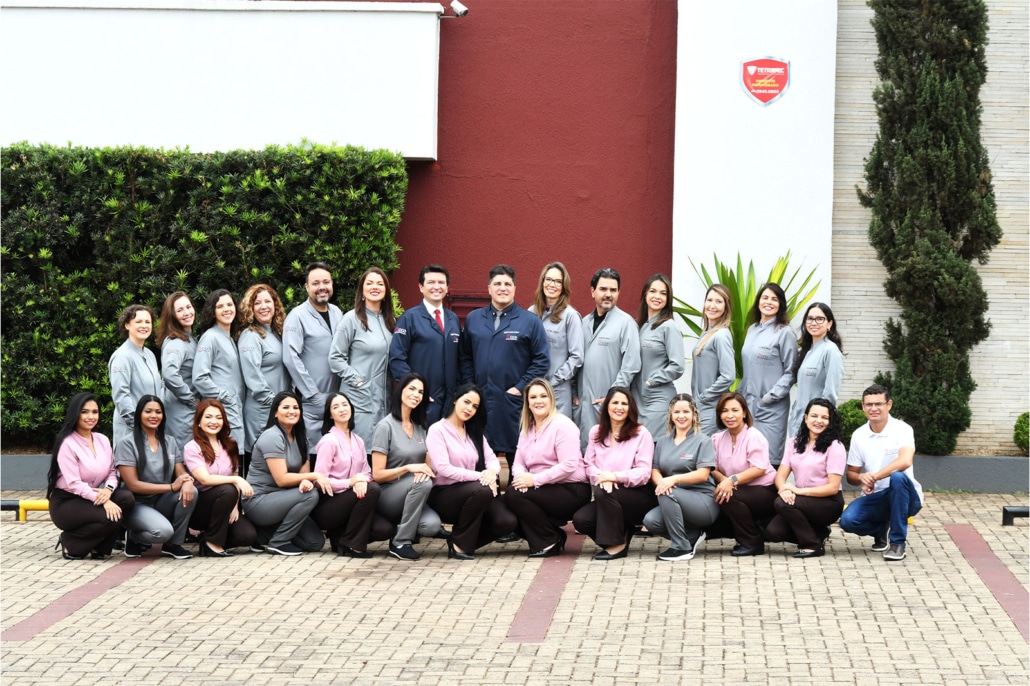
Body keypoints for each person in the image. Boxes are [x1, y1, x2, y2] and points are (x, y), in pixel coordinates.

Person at [458, 265, 550, 480]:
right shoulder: (474, 319)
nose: (502, 288)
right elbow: (464, 357)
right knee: (479, 455)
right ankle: (486, 500)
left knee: (516, 454)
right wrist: (472, 389)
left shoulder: (530, 322)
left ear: (515, 289)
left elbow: (541, 360)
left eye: (507, 284)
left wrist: (520, 388)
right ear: (489, 288)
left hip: (512, 404)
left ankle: (515, 499)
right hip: (479, 402)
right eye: (497, 284)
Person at [426, 384, 517, 560]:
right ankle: (461, 544)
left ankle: (459, 540)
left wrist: (491, 472)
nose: (469, 409)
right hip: (444, 495)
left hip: (474, 492)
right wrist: (481, 476)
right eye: (466, 402)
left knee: (507, 522)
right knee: (481, 490)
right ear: (455, 400)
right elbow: (443, 468)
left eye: (475, 406)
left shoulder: (474, 432)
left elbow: (492, 459)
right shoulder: (437, 430)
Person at [504, 378, 590, 558]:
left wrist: (534, 480)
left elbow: (569, 465)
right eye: (533, 397)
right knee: (503, 505)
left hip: (571, 490)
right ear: (527, 402)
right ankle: (553, 535)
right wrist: (521, 479)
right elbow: (518, 462)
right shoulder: (527, 428)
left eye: (543, 396)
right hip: (543, 488)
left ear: (551, 399)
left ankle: (547, 540)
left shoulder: (562, 425)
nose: (538, 401)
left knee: (513, 495)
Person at [839, 384, 923, 562]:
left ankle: (897, 543)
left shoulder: (903, 429)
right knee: (848, 521)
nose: (873, 408)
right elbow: (851, 475)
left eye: (879, 404)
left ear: (889, 405)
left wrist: (875, 477)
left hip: (907, 497)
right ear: (863, 406)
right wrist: (862, 477)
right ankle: (880, 530)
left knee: (898, 477)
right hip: (877, 497)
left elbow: (905, 460)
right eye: (869, 404)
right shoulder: (859, 435)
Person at [46, 393, 135, 560]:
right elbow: (73, 484)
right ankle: (71, 542)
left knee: (126, 498)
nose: (91, 416)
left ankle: (98, 548)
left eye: (95, 412)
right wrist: (105, 501)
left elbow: (111, 473)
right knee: (112, 516)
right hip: (67, 502)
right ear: (76, 414)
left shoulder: (102, 439)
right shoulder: (67, 443)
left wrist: (108, 491)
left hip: (91, 497)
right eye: (85, 412)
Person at [572, 387, 656, 561]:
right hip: (607, 493)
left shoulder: (641, 433)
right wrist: (603, 476)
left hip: (638, 495)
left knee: (605, 491)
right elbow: (588, 465)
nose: (620, 407)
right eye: (615, 402)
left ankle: (617, 545)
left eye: (624, 403)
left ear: (630, 408)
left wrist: (615, 477)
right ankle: (623, 531)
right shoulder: (596, 431)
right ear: (607, 406)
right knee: (581, 519)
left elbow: (644, 472)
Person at [371, 372, 447, 561]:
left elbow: (428, 468)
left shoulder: (421, 426)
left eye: (420, 391)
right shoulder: (385, 426)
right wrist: (408, 468)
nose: (416, 394)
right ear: (400, 391)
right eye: (411, 389)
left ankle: (401, 526)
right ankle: (401, 542)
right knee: (422, 483)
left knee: (431, 526)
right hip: (388, 494)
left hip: (414, 492)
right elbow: (377, 474)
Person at [243, 391, 327, 555]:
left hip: (284, 499)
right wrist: (314, 476)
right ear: (275, 412)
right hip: (259, 500)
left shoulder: (301, 438)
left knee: (315, 542)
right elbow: (281, 479)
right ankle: (278, 542)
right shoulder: (272, 436)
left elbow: (304, 475)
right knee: (310, 496)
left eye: (296, 407)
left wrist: (306, 481)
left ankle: (262, 535)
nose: (292, 411)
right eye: (286, 407)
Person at [311, 392, 393, 558]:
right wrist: (351, 482)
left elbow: (367, 473)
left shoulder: (358, 441)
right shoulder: (329, 440)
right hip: (329, 505)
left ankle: (340, 538)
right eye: (336, 407)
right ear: (330, 414)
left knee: (385, 530)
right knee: (373, 489)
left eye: (345, 404)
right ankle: (353, 545)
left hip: (353, 501)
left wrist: (361, 481)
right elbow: (319, 480)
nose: (342, 409)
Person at [116, 395, 198, 559]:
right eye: (148, 411)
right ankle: (133, 537)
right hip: (137, 505)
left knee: (193, 492)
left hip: (162, 501)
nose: (154, 416)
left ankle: (173, 544)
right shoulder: (127, 443)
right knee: (162, 532)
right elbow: (133, 485)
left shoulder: (169, 441)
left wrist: (188, 481)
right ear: (139, 414)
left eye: (158, 412)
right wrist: (171, 487)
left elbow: (180, 472)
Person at [641, 394, 719, 561]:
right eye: (677, 412)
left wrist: (673, 480)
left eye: (686, 412)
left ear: (694, 415)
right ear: (670, 414)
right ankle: (692, 535)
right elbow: (655, 469)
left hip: (703, 502)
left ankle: (681, 548)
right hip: (672, 497)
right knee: (651, 521)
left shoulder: (702, 441)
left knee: (666, 492)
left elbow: (703, 474)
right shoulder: (662, 442)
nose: (681, 416)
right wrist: (662, 482)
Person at [765, 398, 846, 558]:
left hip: (828, 502)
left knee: (782, 504)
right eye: (814, 416)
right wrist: (783, 489)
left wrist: (797, 491)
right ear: (806, 418)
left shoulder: (835, 446)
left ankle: (812, 545)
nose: (819, 421)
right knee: (773, 532)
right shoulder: (794, 443)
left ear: (830, 421)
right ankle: (818, 532)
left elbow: (832, 487)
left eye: (824, 417)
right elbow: (780, 475)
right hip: (802, 501)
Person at [329, 267, 395, 449]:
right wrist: (358, 381)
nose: (375, 287)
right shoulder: (351, 319)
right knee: (359, 448)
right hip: (359, 397)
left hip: (384, 398)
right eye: (370, 283)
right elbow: (335, 357)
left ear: (386, 291)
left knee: (380, 449)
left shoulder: (391, 321)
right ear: (362, 290)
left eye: (380, 284)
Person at [283, 262, 344, 457]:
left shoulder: (337, 313)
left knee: (336, 450)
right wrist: (312, 393)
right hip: (312, 399)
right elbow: (290, 357)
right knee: (313, 452)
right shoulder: (297, 316)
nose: (322, 287)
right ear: (307, 287)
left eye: (326, 282)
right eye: (316, 283)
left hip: (336, 397)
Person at [183, 399, 258, 557]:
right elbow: (205, 479)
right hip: (201, 507)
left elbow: (234, 475)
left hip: (226, 501)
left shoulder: (230, 445)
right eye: (208, 417)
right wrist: (236, 481)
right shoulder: (192, 447)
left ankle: (206, 539)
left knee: (247, 536)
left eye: (218, 417)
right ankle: (213, 543)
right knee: (228, 489)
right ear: (198, 422)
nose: (214, 421)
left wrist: (235, 506)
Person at [388, 264, 461, 425]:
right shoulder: (409, 318)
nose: (437, 287)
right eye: (431, 282)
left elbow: (460, 359)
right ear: (421, 287)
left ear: (447, 287)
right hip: (421, 402)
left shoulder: (453, 319)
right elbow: (397, 358)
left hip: (449, 403)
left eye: (441, 283)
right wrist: (414, 391)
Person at [577, 268, 641, 450]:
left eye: (613, 290)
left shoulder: (625, 323)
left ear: (619, 293)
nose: (608, 294)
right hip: (583, 403)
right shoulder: (584, 323)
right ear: (592, 291)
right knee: (585, 450)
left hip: (608, 404)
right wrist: (575, 392)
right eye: (603, 289)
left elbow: (631, 365)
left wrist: (613, 397)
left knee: (607, 450)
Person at [708, 392, 777, 556]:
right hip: (739, 488)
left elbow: (759, 468)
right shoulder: (717, 438)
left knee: (729, 496)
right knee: (722, 494)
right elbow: (713, 468)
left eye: (735, 410)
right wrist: (725, 481)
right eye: (724, 411)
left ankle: (752, 542)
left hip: (764, 489)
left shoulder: (754, 436)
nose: (729, 415)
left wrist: (731, 481)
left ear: (744, 412)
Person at [739, 282, 797, 466]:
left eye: (774, 299)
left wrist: (769, 397)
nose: (769, 302)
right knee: (749, 458)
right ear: (758, 302)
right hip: (748, 406)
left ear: (781, 304)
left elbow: (791, 371)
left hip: (771, 408)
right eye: (765, 297)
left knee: (768, 460)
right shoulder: (752, 330)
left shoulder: (785, 332)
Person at [238, 284, 291, 464]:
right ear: (250, 308)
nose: (264, 306)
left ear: (275, 305)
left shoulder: (276, 334)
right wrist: (275, 404)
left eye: (268, 301)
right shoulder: (251, 336)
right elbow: (253, 377)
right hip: (262, 410)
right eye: (257, 303)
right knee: (261, 461)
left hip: (277, 409)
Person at [528, 262, 584, 420]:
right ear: (542, 282)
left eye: (558, 281)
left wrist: (553, 381)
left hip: (557, 390)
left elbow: (577, 356)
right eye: (549, 279)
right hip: (534, 390)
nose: (552, 284)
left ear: (563, 286)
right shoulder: (531, 313)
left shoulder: (570, 316)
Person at [632, 274, 685, 438]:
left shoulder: (669, 327)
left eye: (663, 293)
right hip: (638, 400)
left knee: (653, 449)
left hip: (658, 400)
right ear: (645, 294)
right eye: (653, 291)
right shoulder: (641, 326)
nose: (657, 296)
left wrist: (651, 381)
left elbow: (678, 366)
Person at [193, 289, 246, 451]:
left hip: (234, 410)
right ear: (213, 312)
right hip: (221, 411)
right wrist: (225, 396)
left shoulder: (229, 338)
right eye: (220, 306)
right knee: (226, 461)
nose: (226, 309)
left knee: (236, 461)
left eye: (230, 304)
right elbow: (199, 378)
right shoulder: (210, 337)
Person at [787, 302, 844, 439]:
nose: (814, 322)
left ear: (829, 324)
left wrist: (818, 420)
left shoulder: (830, 350)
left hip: (815, 425)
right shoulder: (806, 351)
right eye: (810, 318)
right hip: (799, 419)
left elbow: (830, 393)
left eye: (820, 319)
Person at [109, 304, 162, 447]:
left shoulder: (150, 354)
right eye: (138, 321)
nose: (144, 325)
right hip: (132, 431)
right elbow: (121, 396)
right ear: (127, 325)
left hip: (152, 428)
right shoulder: (122, 356)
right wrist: (139, 427)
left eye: (147, 322)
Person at [690, 284, 735, 436]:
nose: (712, 306)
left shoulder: (721, 335)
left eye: (718, 301)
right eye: (709, 300)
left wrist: (704, 397)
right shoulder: (707, 332)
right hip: (701, 406)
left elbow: (728, 376)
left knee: (706, 453)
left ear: (726, 307)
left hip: (711, 407)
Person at [156, 291, 199, 450]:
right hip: (180, 411)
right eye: (180, 310)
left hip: (188, 411)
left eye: (188, 307)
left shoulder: (189, 338)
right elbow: (169, 374)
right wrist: (192, 400)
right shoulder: (176, 341)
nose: (187, 312)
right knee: (181, 457)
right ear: (172, 315)